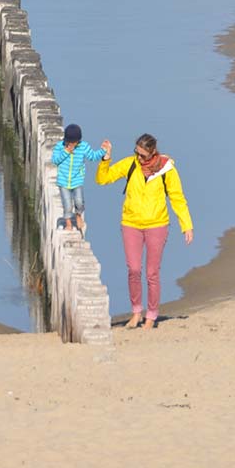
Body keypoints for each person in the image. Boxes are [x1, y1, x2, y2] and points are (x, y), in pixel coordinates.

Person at [96, 133, 194, 329]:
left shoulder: (167, 169)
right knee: (134, 269)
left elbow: (177, 197)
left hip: (157, 225)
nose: (139, 158)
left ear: (153, 152)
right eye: (137, 153)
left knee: (152, 273)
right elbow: (103, 179)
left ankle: (151, 316)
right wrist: (105, 159)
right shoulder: (130, 164)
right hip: (130, 223)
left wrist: (186, 225)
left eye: (143, 155)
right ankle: (136, 313)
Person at [52, 123, 107, 231]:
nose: (71, 145)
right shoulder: (60, 147)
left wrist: (103, 150)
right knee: (67, 204)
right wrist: (66, 152)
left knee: (79, 202)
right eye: (69, 142)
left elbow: (93, 156)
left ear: (78, 141)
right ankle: (68, 224)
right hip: (63, 181)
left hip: (77, 180)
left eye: (74, 143)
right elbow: (55, 161)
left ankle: (78, 215)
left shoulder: (83, 147)